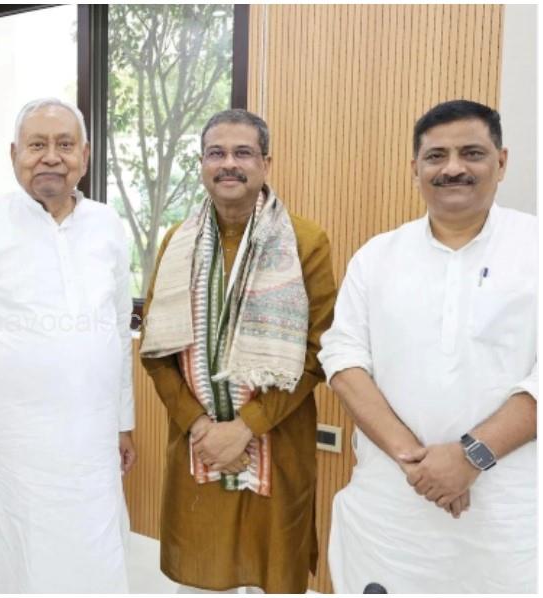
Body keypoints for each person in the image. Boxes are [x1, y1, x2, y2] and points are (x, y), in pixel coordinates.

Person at [318, 99, 537, 593]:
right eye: (436, 156)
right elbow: (343, 358)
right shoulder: (377, 256)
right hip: (392, 514)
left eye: (471, 153)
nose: (453, 168)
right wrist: (414, 459)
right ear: (414, 167)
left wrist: (470, 457)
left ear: (502, 162)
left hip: (509, 524)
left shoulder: (534, 247)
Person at [0, 97, 136, 593]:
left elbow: (116, 331)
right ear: (14, 153)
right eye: (37, 145)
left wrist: (123, 424)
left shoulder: (107, 225)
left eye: (65, 144)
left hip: (91, 452)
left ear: (85, 154)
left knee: (99, 568)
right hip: (10, 456)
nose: (51, 157)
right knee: (22, 575)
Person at [140, 109, 337, 593]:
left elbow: (316, 352)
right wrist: (201, 426)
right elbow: (156, 350)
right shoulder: (177, 242)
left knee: (271, 573)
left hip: (277, 443)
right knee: (199, 579)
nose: (229, 163)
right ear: (202, 165)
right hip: (198, 446)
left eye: (243, 152)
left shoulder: (305, 241)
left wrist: (245, 427)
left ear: (266, 163)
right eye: (217, 153)